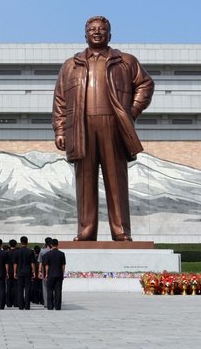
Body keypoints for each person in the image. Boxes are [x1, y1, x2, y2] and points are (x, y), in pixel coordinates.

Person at [52, 16, 154, 241]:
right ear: (85, 34)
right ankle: (86, 230)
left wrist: (131, 112)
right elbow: (60, 99)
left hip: (113, 125)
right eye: (92, 29)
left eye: (102, 29)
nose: (97, 32)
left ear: (110, 34)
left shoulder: (125, 61)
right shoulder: (71, 65)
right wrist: (60, 130)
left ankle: (121, 230)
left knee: (116, 179)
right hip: (81, 126)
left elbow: (145, 84)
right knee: (85, 180)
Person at [43, 239, 66, 310]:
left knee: (49, 291)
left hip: (50, 275)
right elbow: (63, 265)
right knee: (58, 291)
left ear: (51, 245)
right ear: (57, 244)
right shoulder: (62, 254)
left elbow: (47, 266)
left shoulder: (47, 254)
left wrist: (46, 274)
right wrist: (62, 273)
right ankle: (58, 306)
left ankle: (50, 306)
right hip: (59, 274)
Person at [13, 236, 35, 310]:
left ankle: (21, 306)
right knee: (27, 289)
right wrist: (34, 272)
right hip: (28, 271)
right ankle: (27, 306)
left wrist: (14, 272)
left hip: (19, 271)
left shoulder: (17, 251)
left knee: (20, 289)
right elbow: (32, 263)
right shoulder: (30, 251)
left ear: (20, 242)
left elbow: (15, 263)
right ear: (27, 242)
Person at [37, 237, 52, 306]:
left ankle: (46, 303)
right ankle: (52, 302)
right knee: (53, 288)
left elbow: (40, 262)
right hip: (53, 271)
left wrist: (39, 271)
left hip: (44, 271)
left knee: (45, 288)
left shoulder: (42, 251)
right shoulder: (54, 251)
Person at [5, 239, 17, 308]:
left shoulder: (7, 253)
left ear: (9, 245)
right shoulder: (18, 252)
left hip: (9, 271)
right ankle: (16, 302)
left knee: (9, 288)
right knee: (16, 287)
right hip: (16, 271)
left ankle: (9, 303)